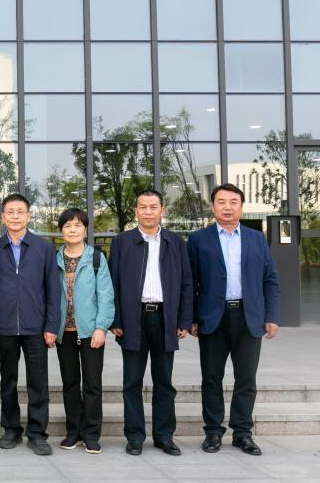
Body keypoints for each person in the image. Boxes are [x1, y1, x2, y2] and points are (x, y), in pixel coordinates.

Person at [188, 183, 280, 456]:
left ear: (241, 206)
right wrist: (191, 317)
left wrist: (272, 315)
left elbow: (270, 279)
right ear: (212, 206)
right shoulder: (198, 239)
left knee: (246, 379)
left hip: (249, 316)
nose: (227, 207)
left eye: (233, 202)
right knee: (211, 378)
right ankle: (213, 432)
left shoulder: (256, 238)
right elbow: (189, 282)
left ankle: (242, 433)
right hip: (212, 317)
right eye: (221, 202)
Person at [109, 189, 193, 457]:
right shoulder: (122, 242)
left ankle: (164, 436)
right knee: (132, 381)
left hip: (165, 318)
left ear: (162, 210)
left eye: (153, 207)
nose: (148, 212)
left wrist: (184, 319)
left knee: (164, 381)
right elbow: (113, 283)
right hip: (133, 319)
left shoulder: (175, 242)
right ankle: (134, 436)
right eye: (143, 207)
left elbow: (187, 283)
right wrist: (115, 319)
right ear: (136, 211)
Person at [0, 194, 60, 456]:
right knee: (7, 380)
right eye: (10, 212)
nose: (15, 216)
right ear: (3, 217)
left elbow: (53, 290)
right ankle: (11, 429)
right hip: (5, 327)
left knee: (38, 383)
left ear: (28, 216)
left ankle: (38, 433)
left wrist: (51, 326)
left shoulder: (44, 248)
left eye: (20, 212)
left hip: (36, 327)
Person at [53, 208, 114, 454]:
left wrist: (101, 327)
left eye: (77, 225)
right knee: (69, 384)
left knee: (92, 384)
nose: (72, 230)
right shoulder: (54, 259)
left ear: (85, 229)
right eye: (67, 226)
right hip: (64, 332)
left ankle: (91, 434)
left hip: (90, 332)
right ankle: (73, 432)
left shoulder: (96, 259)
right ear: (61, 230)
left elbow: (106, 296)